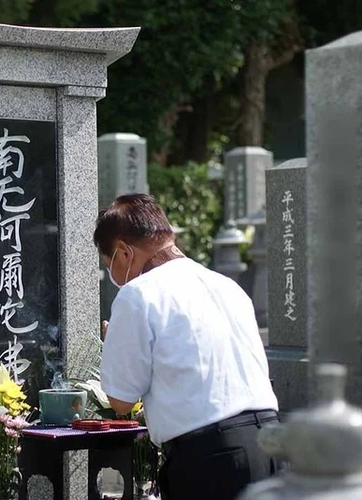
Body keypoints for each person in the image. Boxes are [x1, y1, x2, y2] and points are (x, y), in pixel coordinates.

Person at [95, 193, 279, 500]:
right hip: (273, 444)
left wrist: (114, 343)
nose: (113, 274)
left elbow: (121, 401)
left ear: (124, 253)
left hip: (212, 455)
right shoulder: (226, 285)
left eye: (109, 263)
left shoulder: (137, 294)